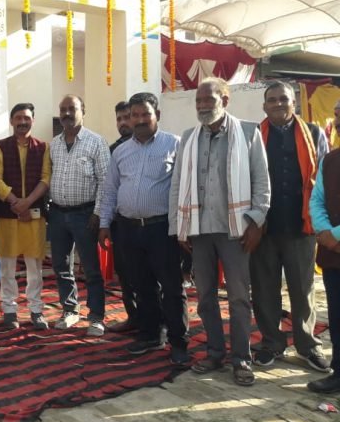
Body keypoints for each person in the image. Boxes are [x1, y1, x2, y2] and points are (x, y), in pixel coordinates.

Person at [169, 77, 270, 386]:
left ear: (225, 100)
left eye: (208, 100)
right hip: (199, 231)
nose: (202, 106)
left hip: (235, 230)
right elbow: (177, 184)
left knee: (239, 297)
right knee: (205, 297)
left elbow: (261, 181)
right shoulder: (189, 138)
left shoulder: (248, 132)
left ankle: (241, 359)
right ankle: (214, 353)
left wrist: (256, 221)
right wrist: (179, 227)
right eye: (198, 101)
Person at [99, 92, 188, 363]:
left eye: (145, 114)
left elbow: (185, 188)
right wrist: (104, 223)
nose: (139, 120)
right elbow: (110, 189)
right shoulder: (121, 151)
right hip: (129, 230)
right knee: (142, 285)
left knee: (172, 287)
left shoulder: (175, 145)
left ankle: (179, 341)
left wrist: (183, 227)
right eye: (134, 115)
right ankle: (151, 335)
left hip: (163, 229)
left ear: (157, 115)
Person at [251, 81, 330, 373]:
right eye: (272, 100)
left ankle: (307, 345)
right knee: (264, 289)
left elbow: (323, 181)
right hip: (264, 228)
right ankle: (272, 343)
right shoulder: (254, 136)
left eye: (283, 99)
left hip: (301, 225)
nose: (278, 104)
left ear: (293, 103)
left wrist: (322, 223)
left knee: (303, 289)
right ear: (264, 106)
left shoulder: (313, 133)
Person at [48, 94, 110, 334]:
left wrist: (98, 213)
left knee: (91, 269)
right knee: (61, 266)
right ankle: (70, 310)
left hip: (85, 215)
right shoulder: (54, 144)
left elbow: (105, 181)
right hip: (57, 214)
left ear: (83, 110)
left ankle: (96, 317)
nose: (66, 113)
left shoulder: (96, 142)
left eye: (71, 109)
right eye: (62, 109)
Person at [0, 103, 51, 330]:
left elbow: (45, 178)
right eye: (18, 118)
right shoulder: (0, 147)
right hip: (7, 215)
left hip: (34, 216)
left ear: (33, 121)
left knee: (34, 266)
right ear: (11, 121)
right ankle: (9, 309)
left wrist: (27, 202)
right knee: (7, 266)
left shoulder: (43, 148)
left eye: (26, 118)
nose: (22, 122)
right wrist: (15, 202)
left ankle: (36, 309)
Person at [307, 146, 340, 392]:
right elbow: (316, 200)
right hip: (333, 256)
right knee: (337, 316)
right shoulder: (330, 160)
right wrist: (325, 232)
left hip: (333, 242)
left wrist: (335, 235)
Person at [105, 101, 138, 333]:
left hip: (150, 224)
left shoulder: (156, 145)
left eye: (127, 117)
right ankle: (134, 317)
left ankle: (157, 323)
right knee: (125, 273)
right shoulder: (113, 150)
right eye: (119, 119)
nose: (123, 123)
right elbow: (108, 188)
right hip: (121, 225)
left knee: (149, 275)